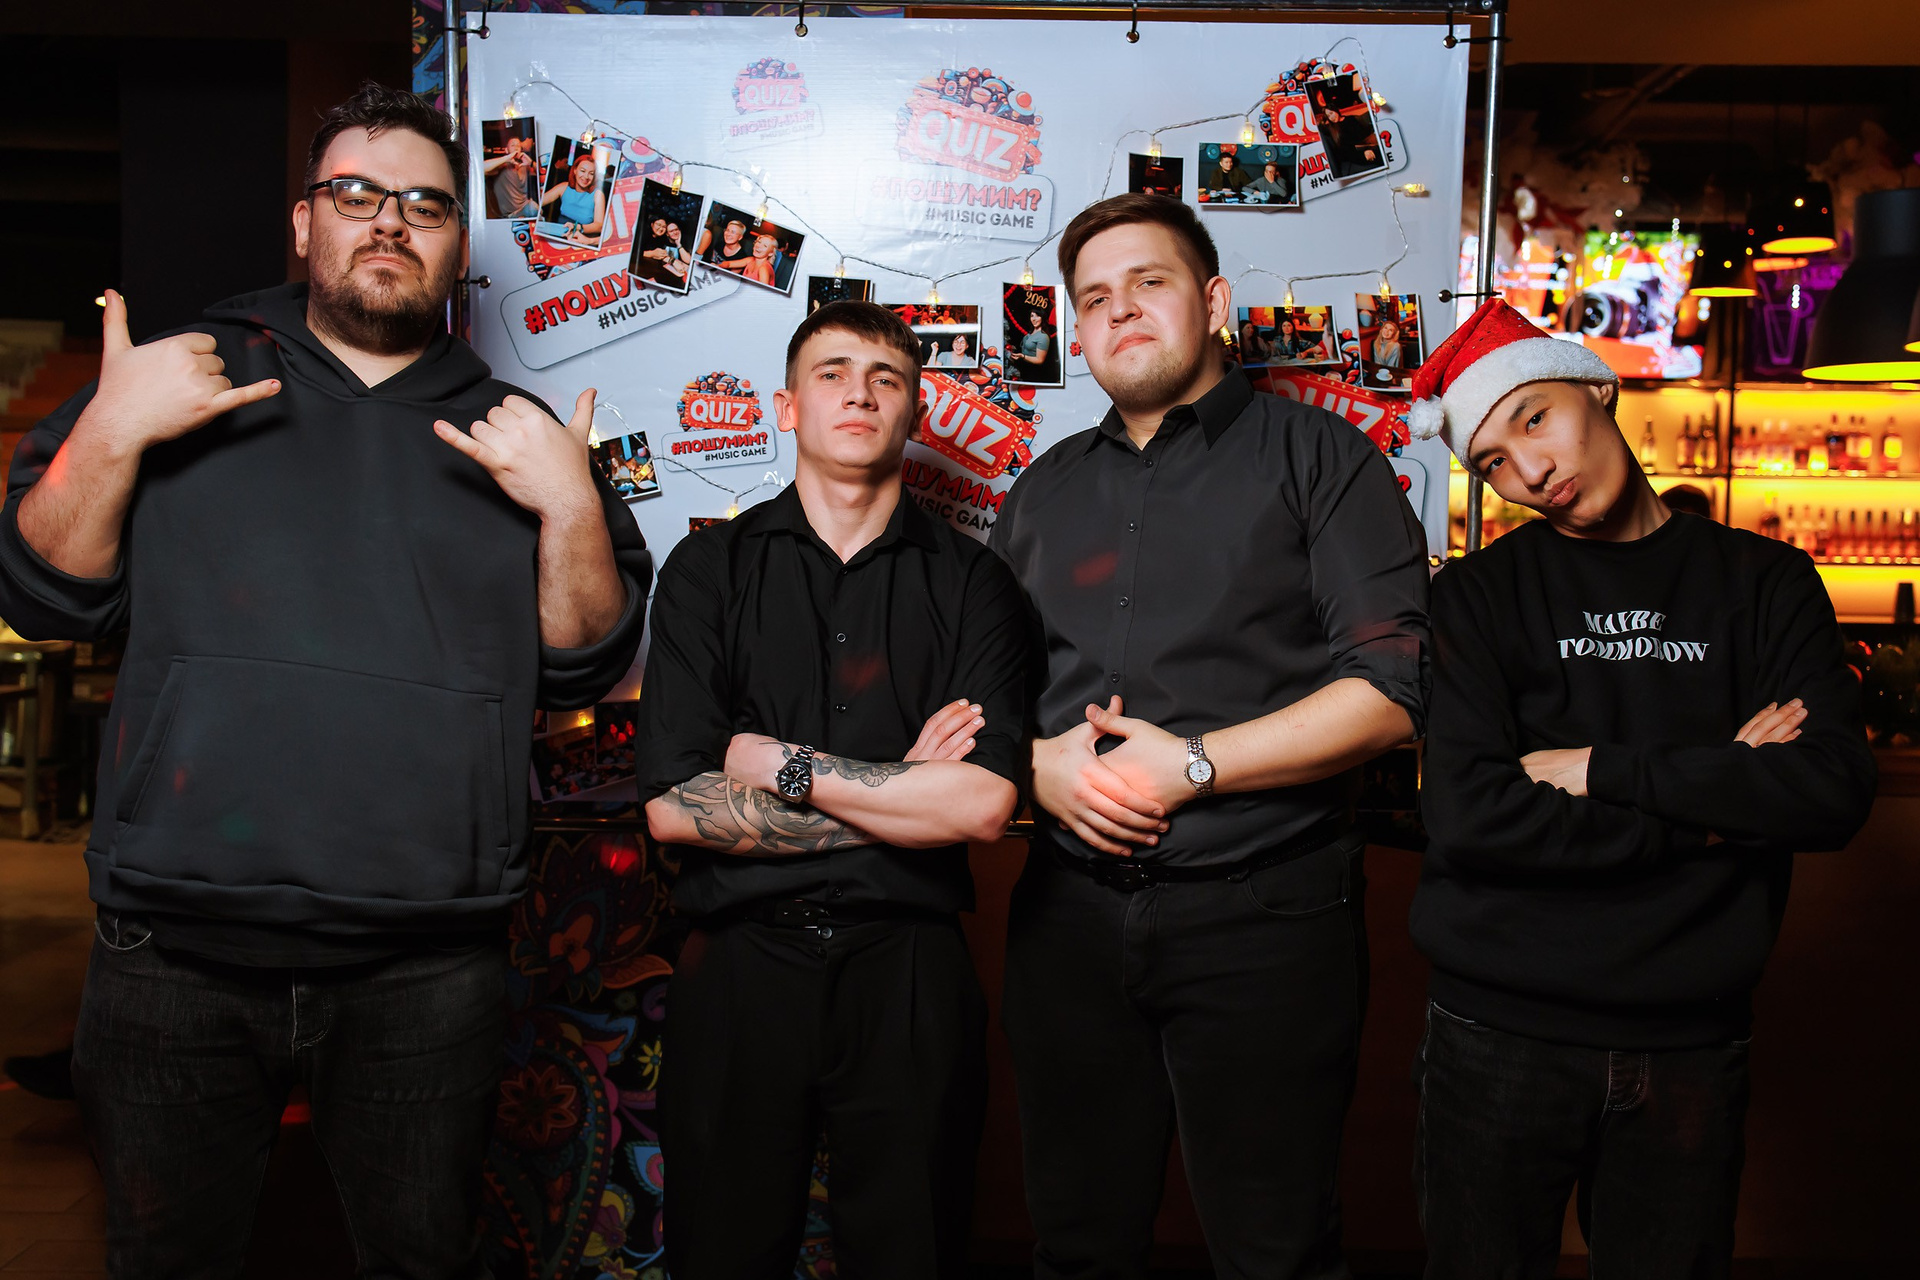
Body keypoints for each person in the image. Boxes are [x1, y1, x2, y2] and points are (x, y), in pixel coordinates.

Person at [0, 82, 650, 1277]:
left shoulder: (519, 429)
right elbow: (45, 599)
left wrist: (568, 503)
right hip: (174, 952)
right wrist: (110, 432)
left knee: (420, 1259)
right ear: (304, 223)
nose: (389, 219)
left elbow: (589, 659)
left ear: (458, 244)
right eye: (356, 193)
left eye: (425, 204)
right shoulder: (179, 376)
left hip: (427, 964)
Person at [990, 192, 1430, 1280]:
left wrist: (1193, 766)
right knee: (1076, 1247)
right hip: (1067, 919)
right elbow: (979, 702)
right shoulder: (1040, 492)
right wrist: (1034, 764)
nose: (1120, 310)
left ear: (1216, 301)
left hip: (1265, 913)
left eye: (1149, 282)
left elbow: (1393, 687)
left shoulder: (1323, 457)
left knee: (1275, 1253)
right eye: (1095, 296)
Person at [1406, 299, 1875, 1280]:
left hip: (1691, 1037)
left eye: (1534, 418)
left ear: (1596, 389)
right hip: (1498, 1032)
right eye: (1493, 462)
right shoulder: (1474, 598)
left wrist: (1600, 769)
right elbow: (1472, 817)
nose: (1530, 471)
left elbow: (1829, 789)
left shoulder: (1767, 583)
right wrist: (1715, 808)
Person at [639, 300, 1030, 1279]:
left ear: (914, 413)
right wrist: (907, 795)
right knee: (722, 1255)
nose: (860, 393)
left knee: (915, 1254)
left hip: (910, 971)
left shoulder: (978, 585)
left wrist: (781, 763)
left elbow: (983, 805)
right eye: (833, 373)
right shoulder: (708, 570)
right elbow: (673, 809)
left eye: (885, 378)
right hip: (738, 966)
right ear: (786, 407)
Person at [539, 146, 606, 242]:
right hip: (559, 235)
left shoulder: (598, 194)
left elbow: (599, 226)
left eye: (591, 173)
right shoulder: (564, 187)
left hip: (581, 240)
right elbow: (539, 202)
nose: (586, 176)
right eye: (583, 171)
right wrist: (537, 211)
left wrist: (578, 227)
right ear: (575, 170)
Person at [484, 133, 539, 218]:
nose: (516, 147)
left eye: (518, 145)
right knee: (533, 208)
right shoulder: (502, 167)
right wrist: (507, 158)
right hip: (511, 214)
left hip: (526, 207)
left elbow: (544, 173)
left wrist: (531, 163)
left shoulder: (524, 166)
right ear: (507, 150)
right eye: (513, 145)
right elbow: (481, 168)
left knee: (534, 208)